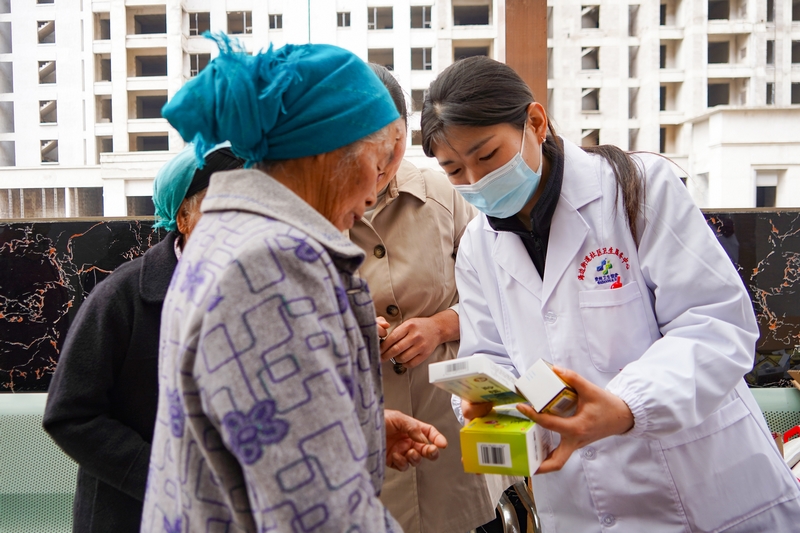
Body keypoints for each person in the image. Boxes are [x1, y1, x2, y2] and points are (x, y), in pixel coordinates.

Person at [420, 55, 800, 533]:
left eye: (487, 156)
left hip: (704, 491)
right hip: (579, 504)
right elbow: (491, 356)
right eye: (454, 170)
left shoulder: (638, 187)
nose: (476, 181)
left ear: (535, 123)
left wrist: (625, 406)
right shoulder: (478, 245)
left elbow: (715, 324)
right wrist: (491, 407)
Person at [140, 35, 447, 533]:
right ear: (328, 152)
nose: (374, 194)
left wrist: (358, 432)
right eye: (377, 163)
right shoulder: (270, 266)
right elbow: (323, 517)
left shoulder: (230, 235)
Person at [42, 145, 244, 533]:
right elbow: (70, 414)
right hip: (132, 515)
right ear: (184, 217)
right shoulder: (122, 297)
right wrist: (168, 479)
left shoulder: (262, 294)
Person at [349, 64, 510, 533]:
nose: (379, 166)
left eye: (391, 148)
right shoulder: (313, 212)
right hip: (366, 432)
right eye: (361, 150)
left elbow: (502, 296)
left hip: (448, 420)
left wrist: (440, 326)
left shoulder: (446, 193)